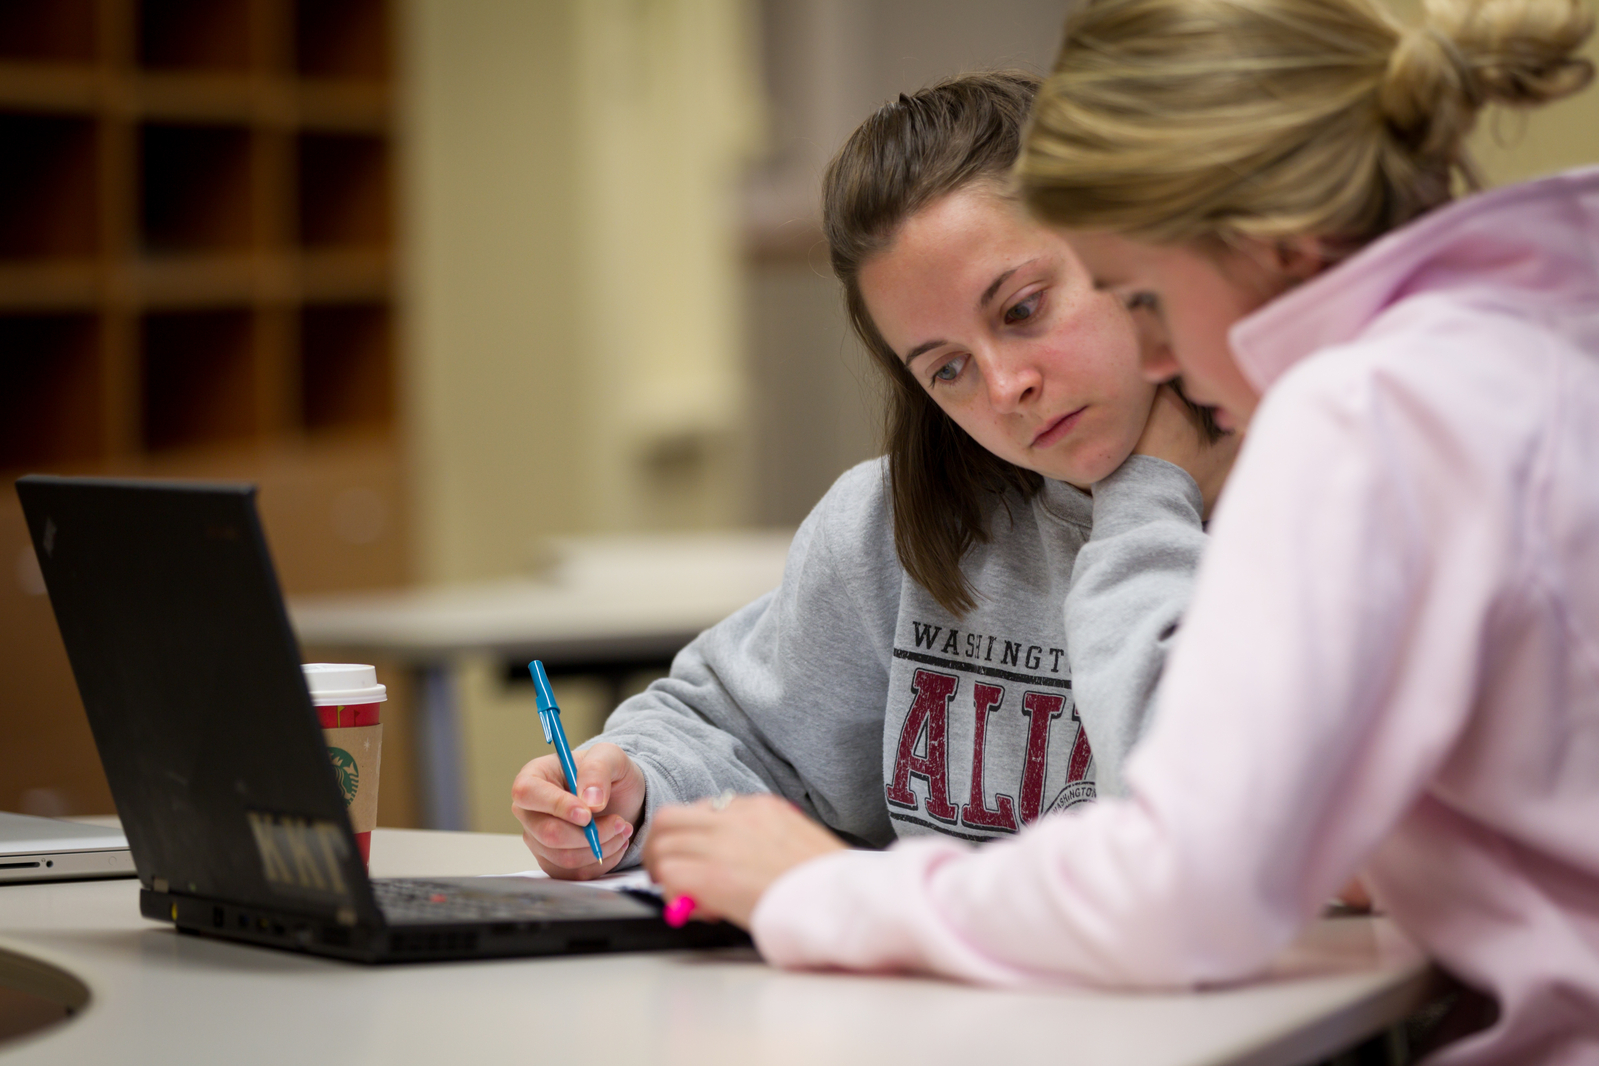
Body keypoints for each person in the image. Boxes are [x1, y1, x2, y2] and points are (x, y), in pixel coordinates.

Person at [641, 0, 1599, 1061]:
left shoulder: (1359, 412)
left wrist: (830, 892)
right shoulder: (1527, 343)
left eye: (1138, 293)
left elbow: (1195, 890)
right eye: (948, 367)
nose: (1152, 352)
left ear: (1262, 238)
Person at [511, 72, 1237, 877]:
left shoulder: (1323, 492)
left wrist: (1143, 497)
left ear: (1127, 246)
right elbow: (744, 736)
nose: (1005, 389)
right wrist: (641, 788)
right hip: (948, 995)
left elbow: (1219, 821)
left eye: (1023, 309)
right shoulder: (895, 525)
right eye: (948, 369)